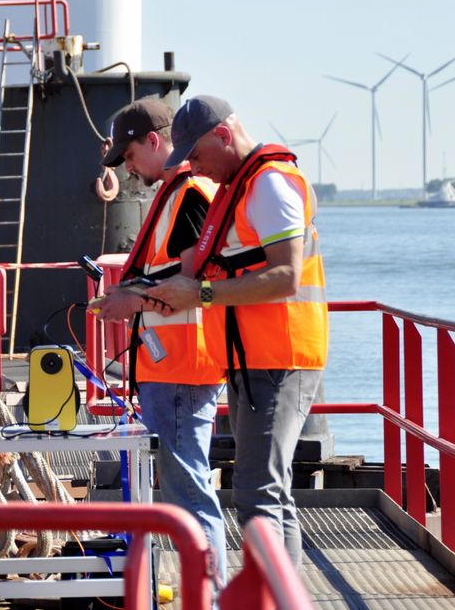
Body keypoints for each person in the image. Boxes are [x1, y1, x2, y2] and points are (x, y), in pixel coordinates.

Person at [146, 95, 328, 569]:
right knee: (269, 491)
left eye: (197, 154)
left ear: (223, 136)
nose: (194, 166)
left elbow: (285, 277)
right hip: (254, 360)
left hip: (278, 359)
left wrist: (200, 295)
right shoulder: (242, 186)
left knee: (257, 495)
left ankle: (272, 599)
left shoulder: (267, 185)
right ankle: (282, 597)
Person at [89, 99, 228, 584]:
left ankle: (209, 596)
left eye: (128, 156)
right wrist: (130, 295)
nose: (127, 170)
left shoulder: (189, 195)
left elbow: (192, 288)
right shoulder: (179, 194)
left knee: (188, 494)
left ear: (154, 141)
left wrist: (133, 301)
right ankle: (207, 592)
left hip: (182, 371)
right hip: (173, 370)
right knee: (184, 491)